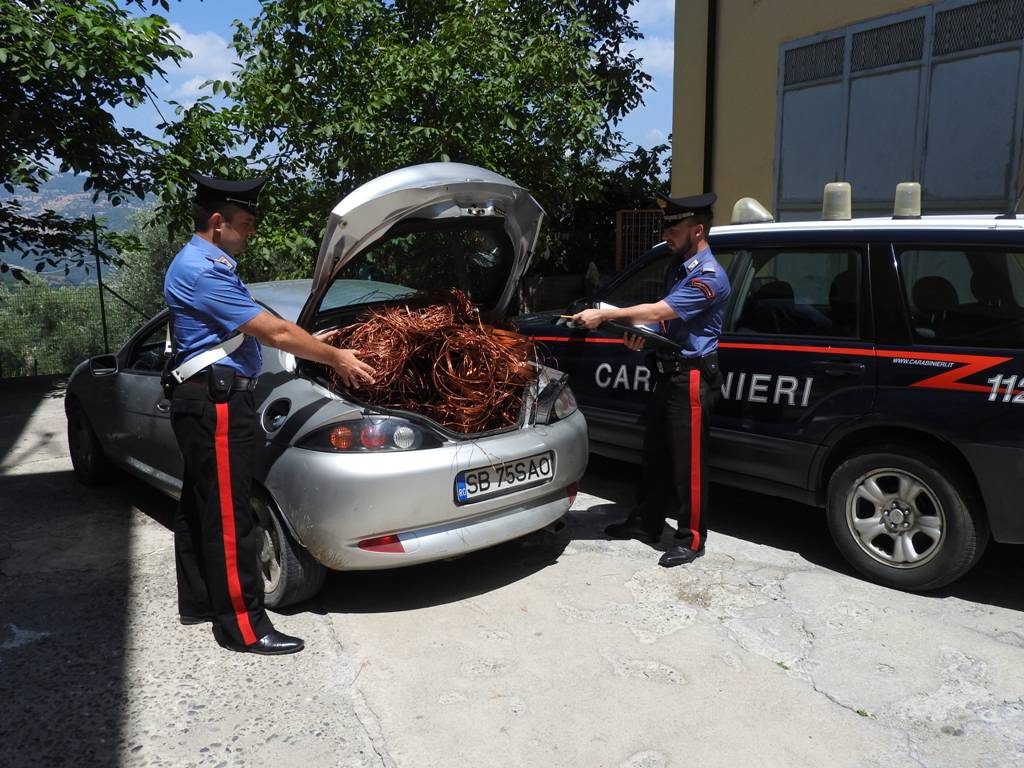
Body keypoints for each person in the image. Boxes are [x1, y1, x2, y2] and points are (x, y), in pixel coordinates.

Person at [163, 173, 375, 654]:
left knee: (201, 506)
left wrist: (320, 343)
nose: (252, 231)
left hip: (205, 398)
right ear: (218, 222)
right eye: (246, 222)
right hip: (216, 403)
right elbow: (274, 333)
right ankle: (244, 626)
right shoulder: (202, 269)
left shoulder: (205, 262)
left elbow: (271, 329)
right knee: (230, 515)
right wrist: (336, 358)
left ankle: (201, 602)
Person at [571, 192, 730, 567]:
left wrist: (606, 316)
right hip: (667, 373)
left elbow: (663, 309)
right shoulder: (679, 267)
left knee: (688, 465)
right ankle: (646, 523)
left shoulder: (709, 277)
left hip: (690, 377)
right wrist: (639, 335)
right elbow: (664, 321)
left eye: (673, 227)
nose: (666, 233)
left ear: (698, 230)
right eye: (665, 226)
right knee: (655, 456)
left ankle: (691, 539)